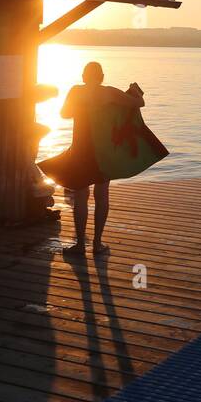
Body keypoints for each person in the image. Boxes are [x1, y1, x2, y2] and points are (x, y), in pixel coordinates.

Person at [58, 61, 145, 259]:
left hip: (81, 149)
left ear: (83, 76)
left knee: (80, 197)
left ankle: (80, 244)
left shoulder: (75, 91)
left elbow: (64, 114)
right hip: (103, 150)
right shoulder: (109, 93)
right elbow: (139, 103)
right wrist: (135, 92)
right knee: (102, 195)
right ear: (102, 76)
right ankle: (97, 244)